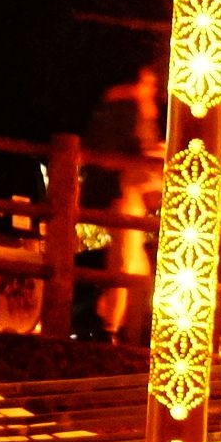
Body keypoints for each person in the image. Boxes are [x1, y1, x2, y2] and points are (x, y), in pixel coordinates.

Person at [81, 64, 163, 339]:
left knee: (134, 264)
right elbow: (120, 154)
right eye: (147, 83)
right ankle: (112, 328)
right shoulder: (126, 109)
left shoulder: (133, 110)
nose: (150, 89)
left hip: (131, 195)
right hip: (124, 193)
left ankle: (122, 328)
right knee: (126, 262)